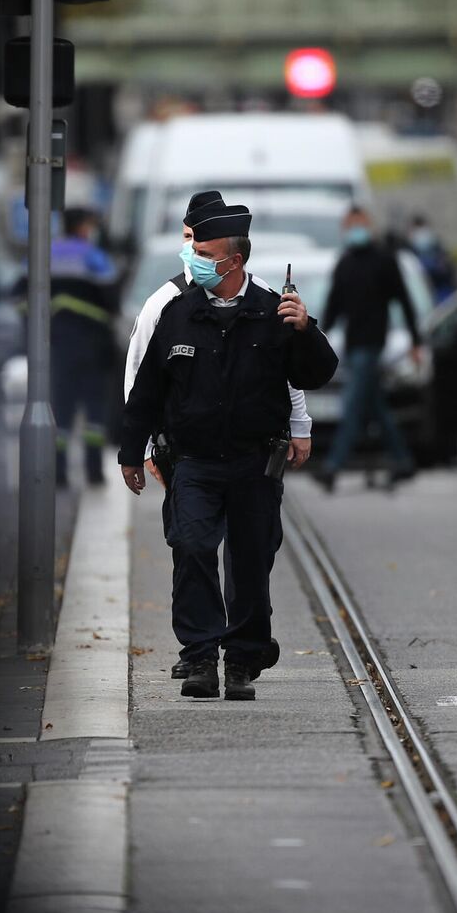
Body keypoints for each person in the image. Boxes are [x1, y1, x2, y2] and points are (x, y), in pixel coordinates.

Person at [119, 204, 339, 701]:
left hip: (254, 463)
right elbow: (146, 389)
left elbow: (313, 374)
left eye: (203, 253)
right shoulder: (176, 310)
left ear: (233, 261)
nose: (192, 260)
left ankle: (242, 657)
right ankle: (199, 656)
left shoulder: (272, 310)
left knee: (251, 560)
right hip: (193, 461)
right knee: (192, 548)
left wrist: (306, 330)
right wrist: (132, 452)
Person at [313, 208, 422, 491]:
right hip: (352, 345)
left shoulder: (384, 260)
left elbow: (405, 301)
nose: (356, 230)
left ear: (369, 226)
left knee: (353, 406)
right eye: (351, 225)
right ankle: (403, 460)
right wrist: (317, 340)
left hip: (372, 344)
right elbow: (333, 306)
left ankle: (333, 466)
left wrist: (416, 341)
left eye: (360, 224)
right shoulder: (346, 262)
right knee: (375, 406)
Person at [47, 207, 119, 487]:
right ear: (81, 227)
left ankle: (58, 473)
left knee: (61, 412)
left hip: (59, 345)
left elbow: (22, 295)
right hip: (93, 345)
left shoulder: (45, 254)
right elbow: (111, 299)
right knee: (95, 414)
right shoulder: (94, 257)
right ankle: (93, 471)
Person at [405, 215, 457, 302]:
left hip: (445, 293)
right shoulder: (411, 253)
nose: (420, 234)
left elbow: (448, 270)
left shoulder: (437, 246)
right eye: (416, 230)